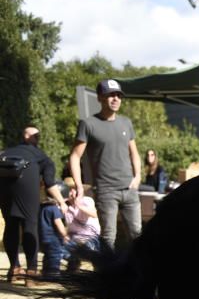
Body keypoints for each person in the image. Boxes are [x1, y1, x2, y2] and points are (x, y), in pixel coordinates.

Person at [69, 79, 143, 249]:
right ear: (100, 98)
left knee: (137, 235)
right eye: (110, 95)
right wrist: (79, 186)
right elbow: (74, 156)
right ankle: (104, 274)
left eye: (118, 95)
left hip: (129, 189)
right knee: (108, 236)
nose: (115, 99)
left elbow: (134, 153)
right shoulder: (88, 124)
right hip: (106, 190)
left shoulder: (126, 123)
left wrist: (137, 176)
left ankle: (137, 273)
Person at [0, 126, 67, 285]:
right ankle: (31, 272)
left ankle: (14, 269)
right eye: (37, 137)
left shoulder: (7, 151)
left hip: (2, 177)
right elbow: (50, 183)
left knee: (11, 224)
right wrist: (62, 202)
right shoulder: (41, 156)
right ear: (30, 138)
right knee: (30, 223)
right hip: (26, 176)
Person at [63, 190, 101, 272]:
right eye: (69, 190)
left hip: (90, 236)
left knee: (93, 253)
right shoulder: (65, 204)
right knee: (60, 247)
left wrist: (78, 205)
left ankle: (98, 269)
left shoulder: (86, 200)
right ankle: (73, 265)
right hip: (74, 236)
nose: (71, 192)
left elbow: (94, 214)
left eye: (73, 189)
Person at [38, 184, 71, 278]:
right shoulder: (54, 208)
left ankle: (45, 273)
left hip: (42, 237)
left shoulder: (41, 207)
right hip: (53, 238)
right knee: (55, 256)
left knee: (47, 255)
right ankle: (53, 275)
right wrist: (65, 234)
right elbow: (58, 223)